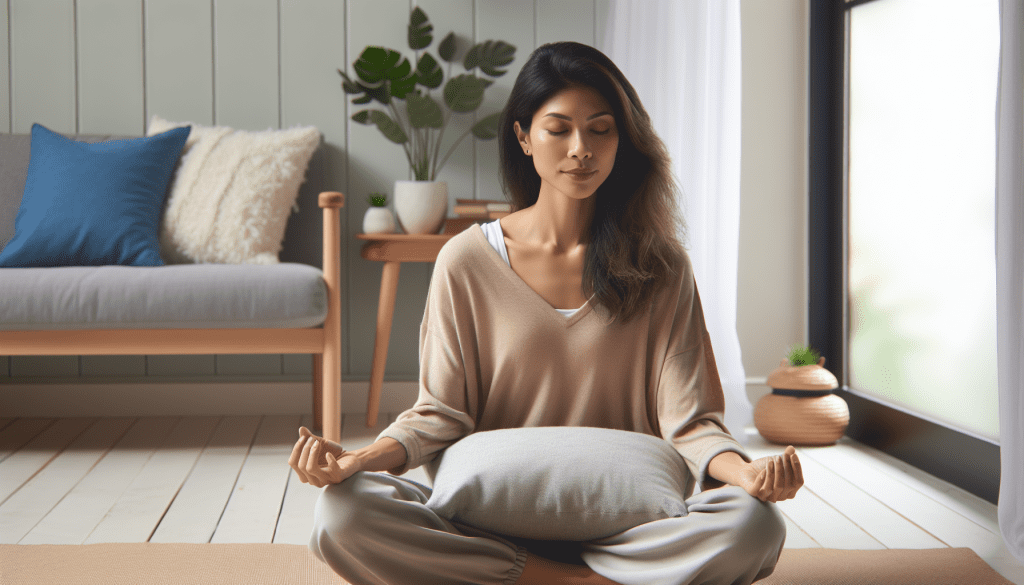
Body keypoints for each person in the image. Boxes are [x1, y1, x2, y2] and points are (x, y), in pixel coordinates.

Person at [289, 41, 803, 585]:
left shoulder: (662, 266)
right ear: (523, 136)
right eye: (558, 129)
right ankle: (573, 580)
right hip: (488, 525)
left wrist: (747, 474)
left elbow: (691, 421)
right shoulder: (465, 260)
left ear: (621, 140)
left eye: (601, 129)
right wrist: (355, 462)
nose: (581, 148)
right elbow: (439, 413)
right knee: (341, 514)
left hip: (630, 528)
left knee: (754, 525)